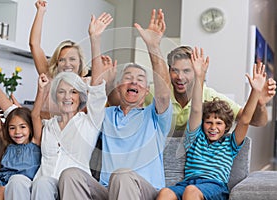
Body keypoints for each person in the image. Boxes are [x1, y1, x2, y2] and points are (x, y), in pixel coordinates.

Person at [58, 8, 172, 200]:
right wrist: (95, 40)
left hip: (145, 191)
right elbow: (95, 92)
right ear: (119, 87)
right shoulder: (107, 115)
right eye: (128, 78)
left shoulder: (154, 117)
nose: (134, 82)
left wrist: (153, 46)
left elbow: (162, 93)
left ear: (146, 90)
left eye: (140, 79)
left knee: (122, 175)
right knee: (71, 175)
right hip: (109, 190)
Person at [3, 11, 112, 200]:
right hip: (41, 182)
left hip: (69, 186)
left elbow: (97, 88)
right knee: (17, 181)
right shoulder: (50, 125)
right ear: (54, 95)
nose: (67, 96)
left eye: (73, 92)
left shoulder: (89, 122)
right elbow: (33, 117)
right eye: (61, 92)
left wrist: (95, 39)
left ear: (81, 97)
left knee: (43, 184)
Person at [156, 47, 269, 200]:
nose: (213, 127)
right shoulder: (195, 138)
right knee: (165, 193)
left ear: (227, 127)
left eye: (218, 123)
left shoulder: (230, 143)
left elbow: (245, 120)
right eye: (208, 122)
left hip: (214, 186)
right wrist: (199, 76)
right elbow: (196, 109)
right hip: (188, 183)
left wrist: (255, 91)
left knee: (191, 191)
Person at [144, 46, 276, 136]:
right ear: (169, 70)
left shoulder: (210, 96)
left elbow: (256, 121)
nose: (180, 77)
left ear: (196, 72)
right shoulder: (154, 93)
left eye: (186, 71)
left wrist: (260, 103)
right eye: (175, 70)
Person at [0, 55, 41, 200]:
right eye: (12, 128)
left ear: (30, 128)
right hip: (2, 177)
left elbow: (36, 114)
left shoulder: (35, 141)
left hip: (20, 183)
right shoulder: (9, 142)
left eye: (22, 127)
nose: (17, 132)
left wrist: (41, 89)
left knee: (2, 192)